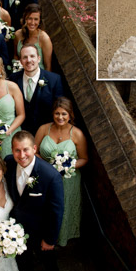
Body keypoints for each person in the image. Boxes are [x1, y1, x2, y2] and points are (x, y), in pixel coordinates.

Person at [7, 130, 65, 271]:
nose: (22, 155)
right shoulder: (8, 163)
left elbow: (56, 211)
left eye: (26, 150)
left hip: (41, 228)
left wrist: (50, 239)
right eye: (17, 150)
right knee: (22, 256)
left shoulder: (50, 176)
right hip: (17, 226)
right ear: (12, 151)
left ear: (34, 148)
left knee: (47, 258)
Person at [36, 98, 88, 247]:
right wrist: (48, 166)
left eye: (64, 114)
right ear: (53, 114)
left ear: (70, 115)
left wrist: (67, 166)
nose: (60, 117)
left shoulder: (77, 134)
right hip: (45, 177)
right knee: (47, 206)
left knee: (63, 206)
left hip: (68, 179)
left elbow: (84, 159)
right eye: (57, 113)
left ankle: (62, 237)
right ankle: (45, 236)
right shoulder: (43, 129)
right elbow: (34, 152)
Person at [9, 44, 67, 134]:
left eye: (32, 56)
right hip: (21, 133)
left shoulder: (54, 80)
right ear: (20, 61)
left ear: (39, 58)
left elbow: (61, 107)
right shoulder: (13, 79)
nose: (28, 60)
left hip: (46, 133)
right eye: (25, 57)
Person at [11, 4, 55, 73]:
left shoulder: (44, 39)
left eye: (36, 19)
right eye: (30, 18)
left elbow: (48, 66)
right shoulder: (17, 35)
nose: (32, 22)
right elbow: (16, 56)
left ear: (40, 21)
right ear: (25, 18)